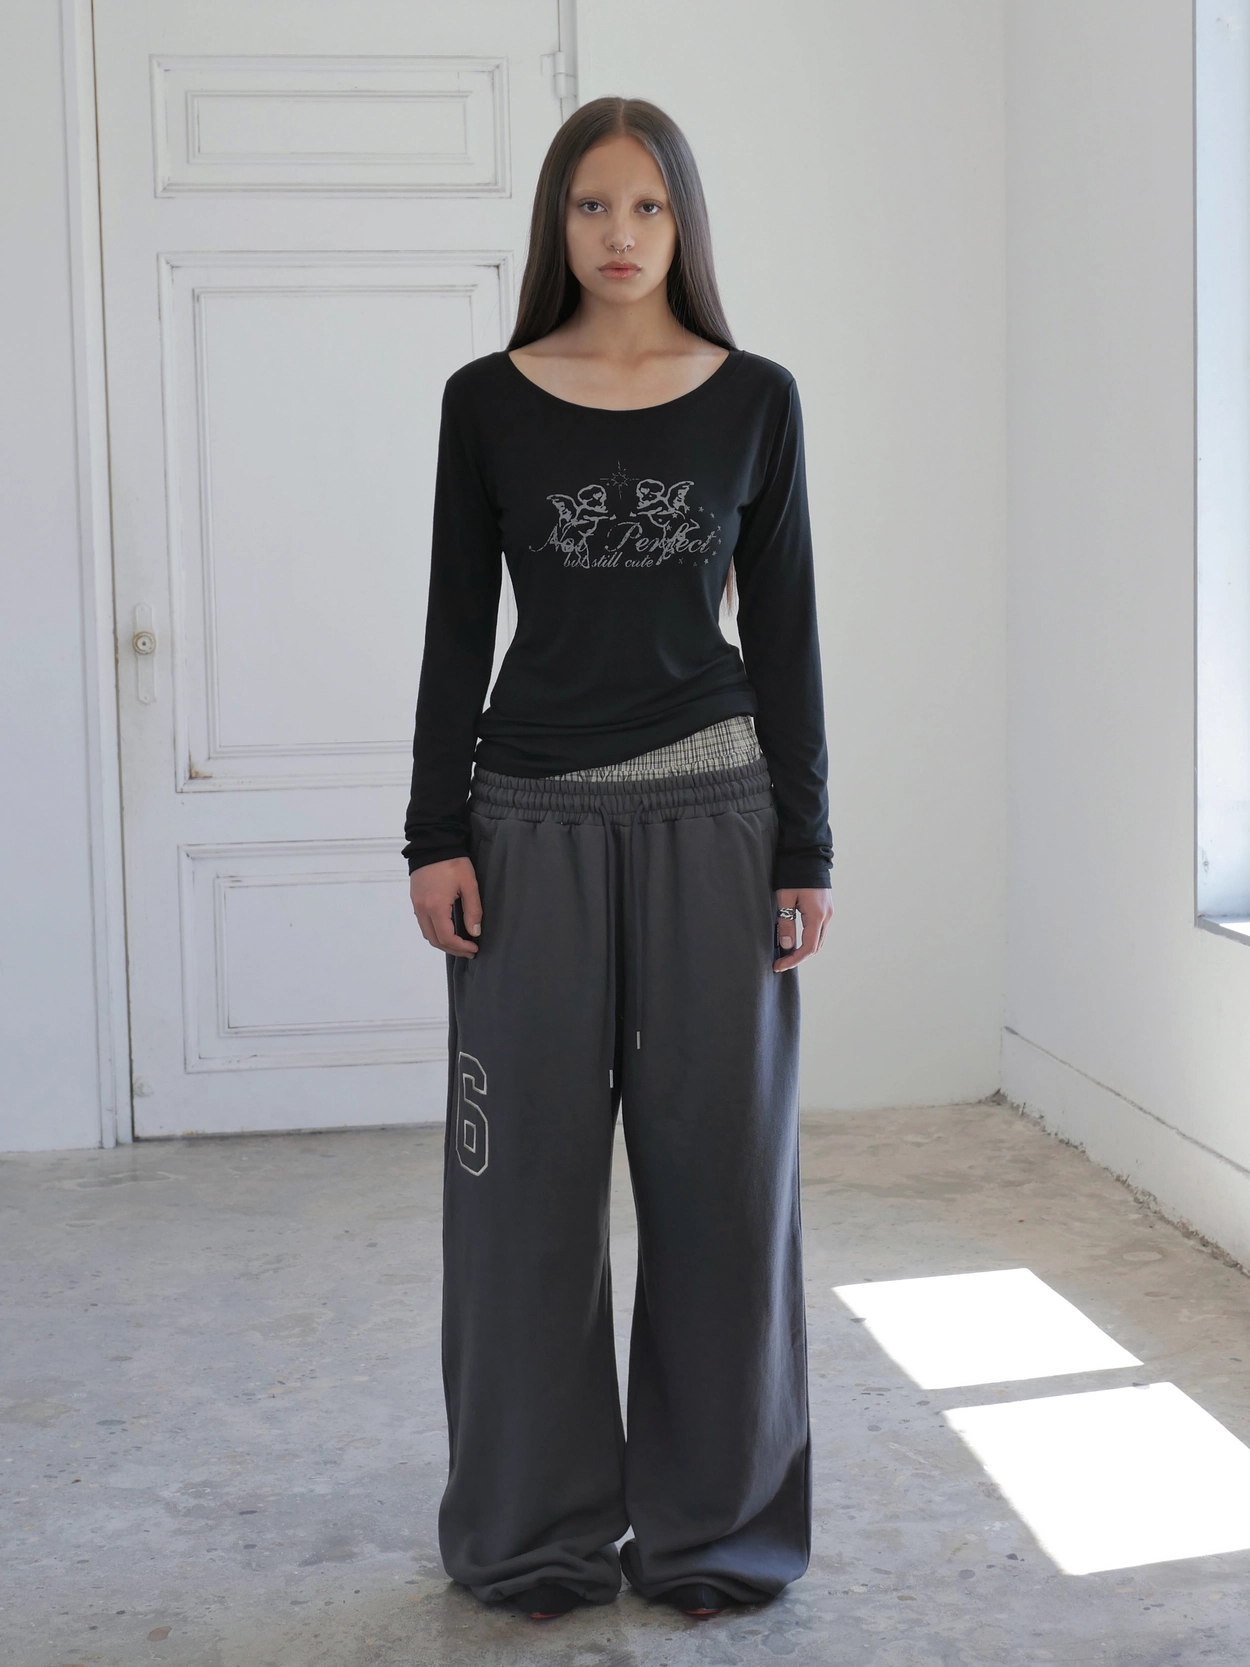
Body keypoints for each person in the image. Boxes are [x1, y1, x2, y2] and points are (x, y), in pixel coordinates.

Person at [403, 95, 834, 1624]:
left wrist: (805, 846)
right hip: (525, 834)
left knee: (722, 1190)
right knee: (516, 1201)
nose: (619, 234)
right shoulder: (486, 401)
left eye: (647, 206)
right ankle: (532, 1534)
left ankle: (718, 1533)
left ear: (683, 222)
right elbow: (457, 625)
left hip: (716, 824)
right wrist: (434, 832)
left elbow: (784, 636)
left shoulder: (756, 400)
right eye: (591, 205)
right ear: (555, 223)